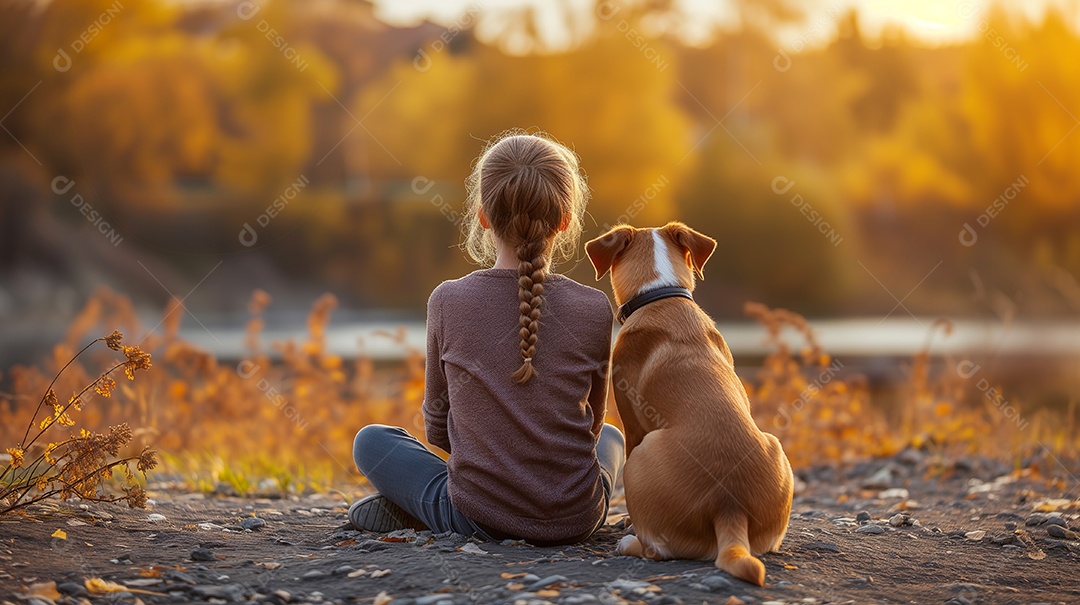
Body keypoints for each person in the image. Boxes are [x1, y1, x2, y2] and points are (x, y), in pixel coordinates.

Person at [349, 131, 624, 545]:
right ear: (565, 221)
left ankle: (423, 510)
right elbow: (591, 425)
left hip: (479, 518)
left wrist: (493, 461)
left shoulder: (447, 299)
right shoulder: (595, 307)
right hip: (577, 519)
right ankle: (427, 507)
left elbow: (438, 430)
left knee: (371, 441)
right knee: (612, 438)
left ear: (482, 215)